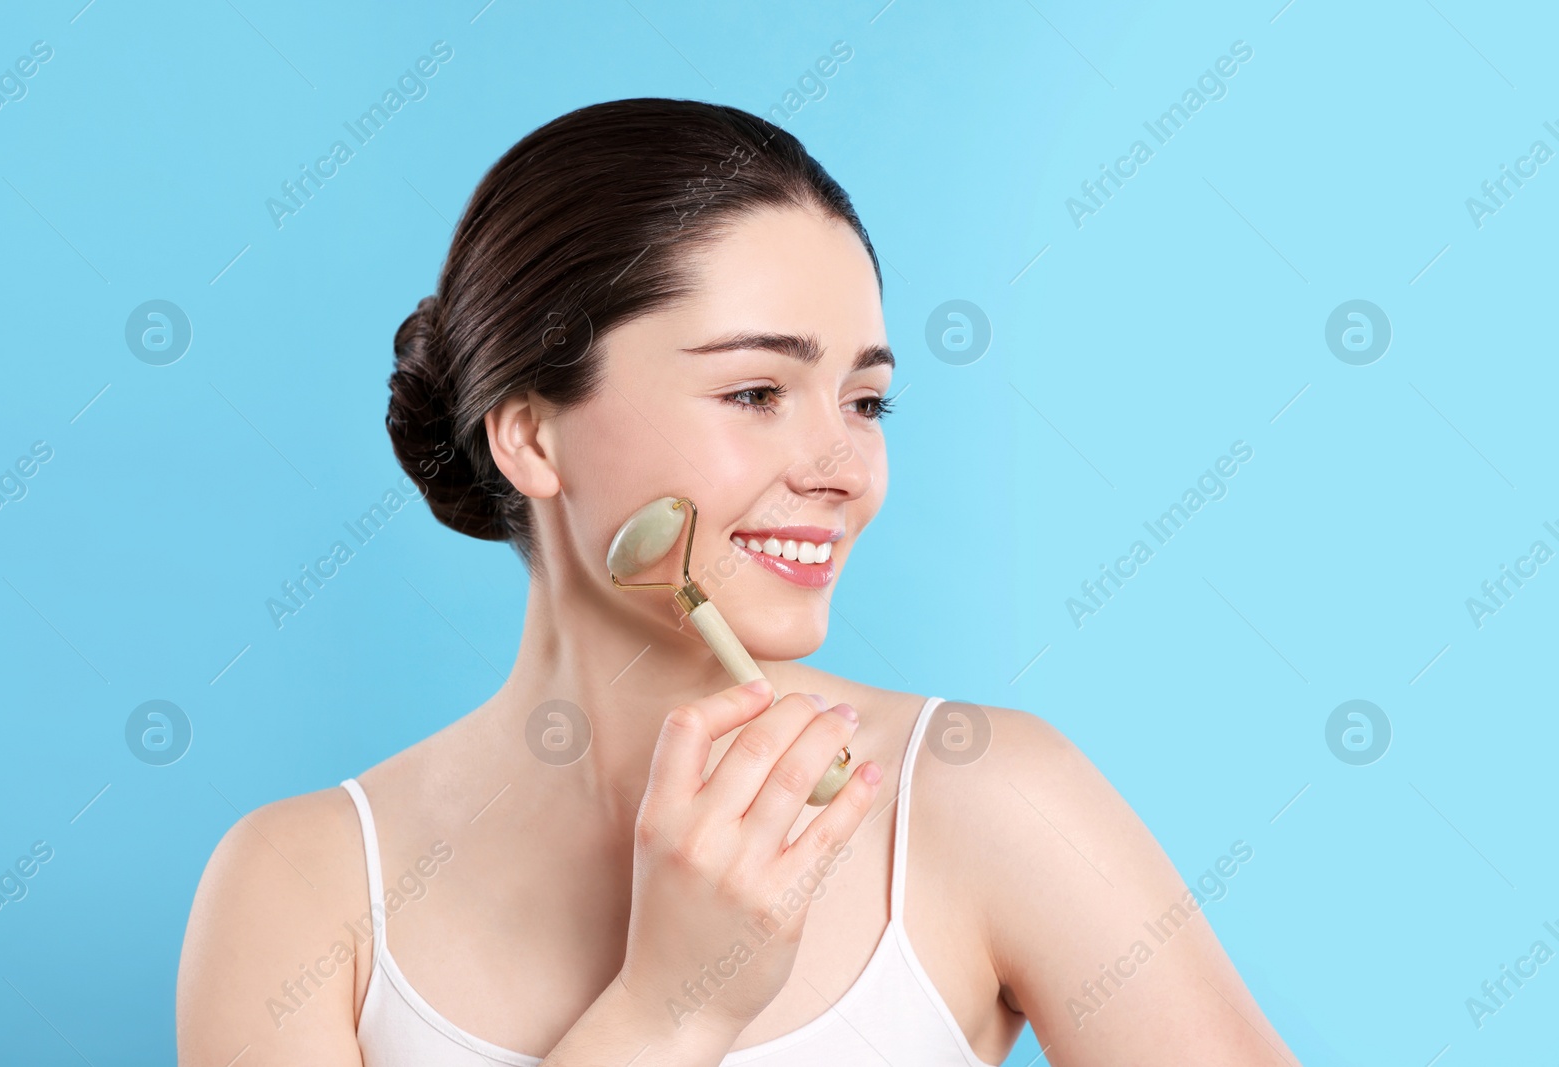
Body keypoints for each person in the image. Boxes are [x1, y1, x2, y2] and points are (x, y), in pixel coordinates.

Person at [177, 97, 1299, 1066]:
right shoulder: (302, 886)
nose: (842, 470)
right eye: (755, 391)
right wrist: (673, 1006)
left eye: (865, 402)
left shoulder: (985, 797)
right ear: (528, 433)